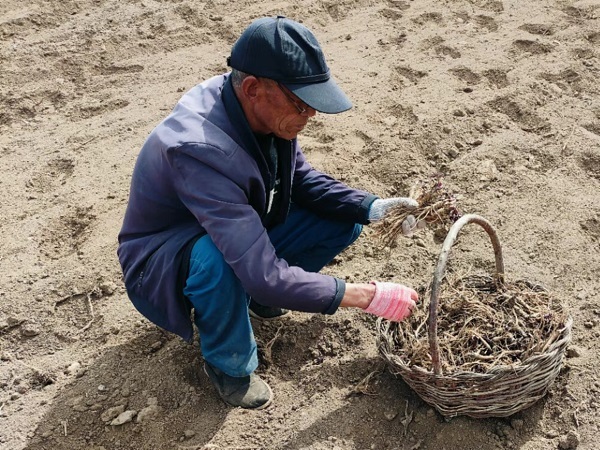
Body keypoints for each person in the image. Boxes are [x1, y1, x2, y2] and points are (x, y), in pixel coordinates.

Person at [117, 16, 419, 410]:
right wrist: (366, 296)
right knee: (218, 261)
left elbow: (300, 178)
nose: (309, 115)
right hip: (164, 259)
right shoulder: (200, 148)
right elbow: (262, 273)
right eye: (301, 103)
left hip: (231, 227)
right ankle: (229, 365)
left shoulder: (250, 107)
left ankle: (254, 302)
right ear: (254, 88)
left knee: (343, 218)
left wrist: (372, 208)